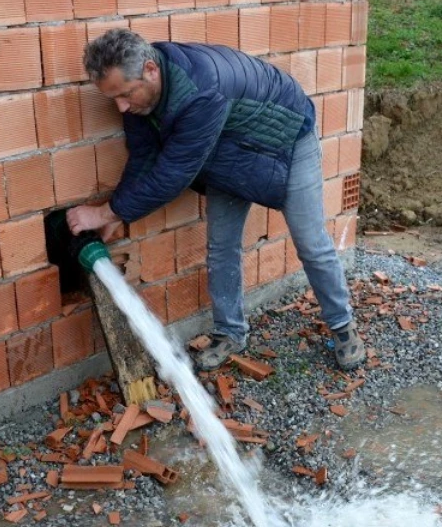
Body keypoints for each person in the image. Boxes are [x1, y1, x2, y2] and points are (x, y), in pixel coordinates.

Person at [66, 29, 365, 371]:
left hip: (285, 139)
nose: (120, 106)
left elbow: (171, 174)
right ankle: (229, 333)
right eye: (113, 98)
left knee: (311, 242)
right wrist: (114, 216)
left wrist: (104, 211)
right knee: (221, 247)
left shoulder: (202, 89)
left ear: (150, 69)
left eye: (124, 94)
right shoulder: (142, 95)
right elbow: (144, 157)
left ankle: (343, 327)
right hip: (229, 150)